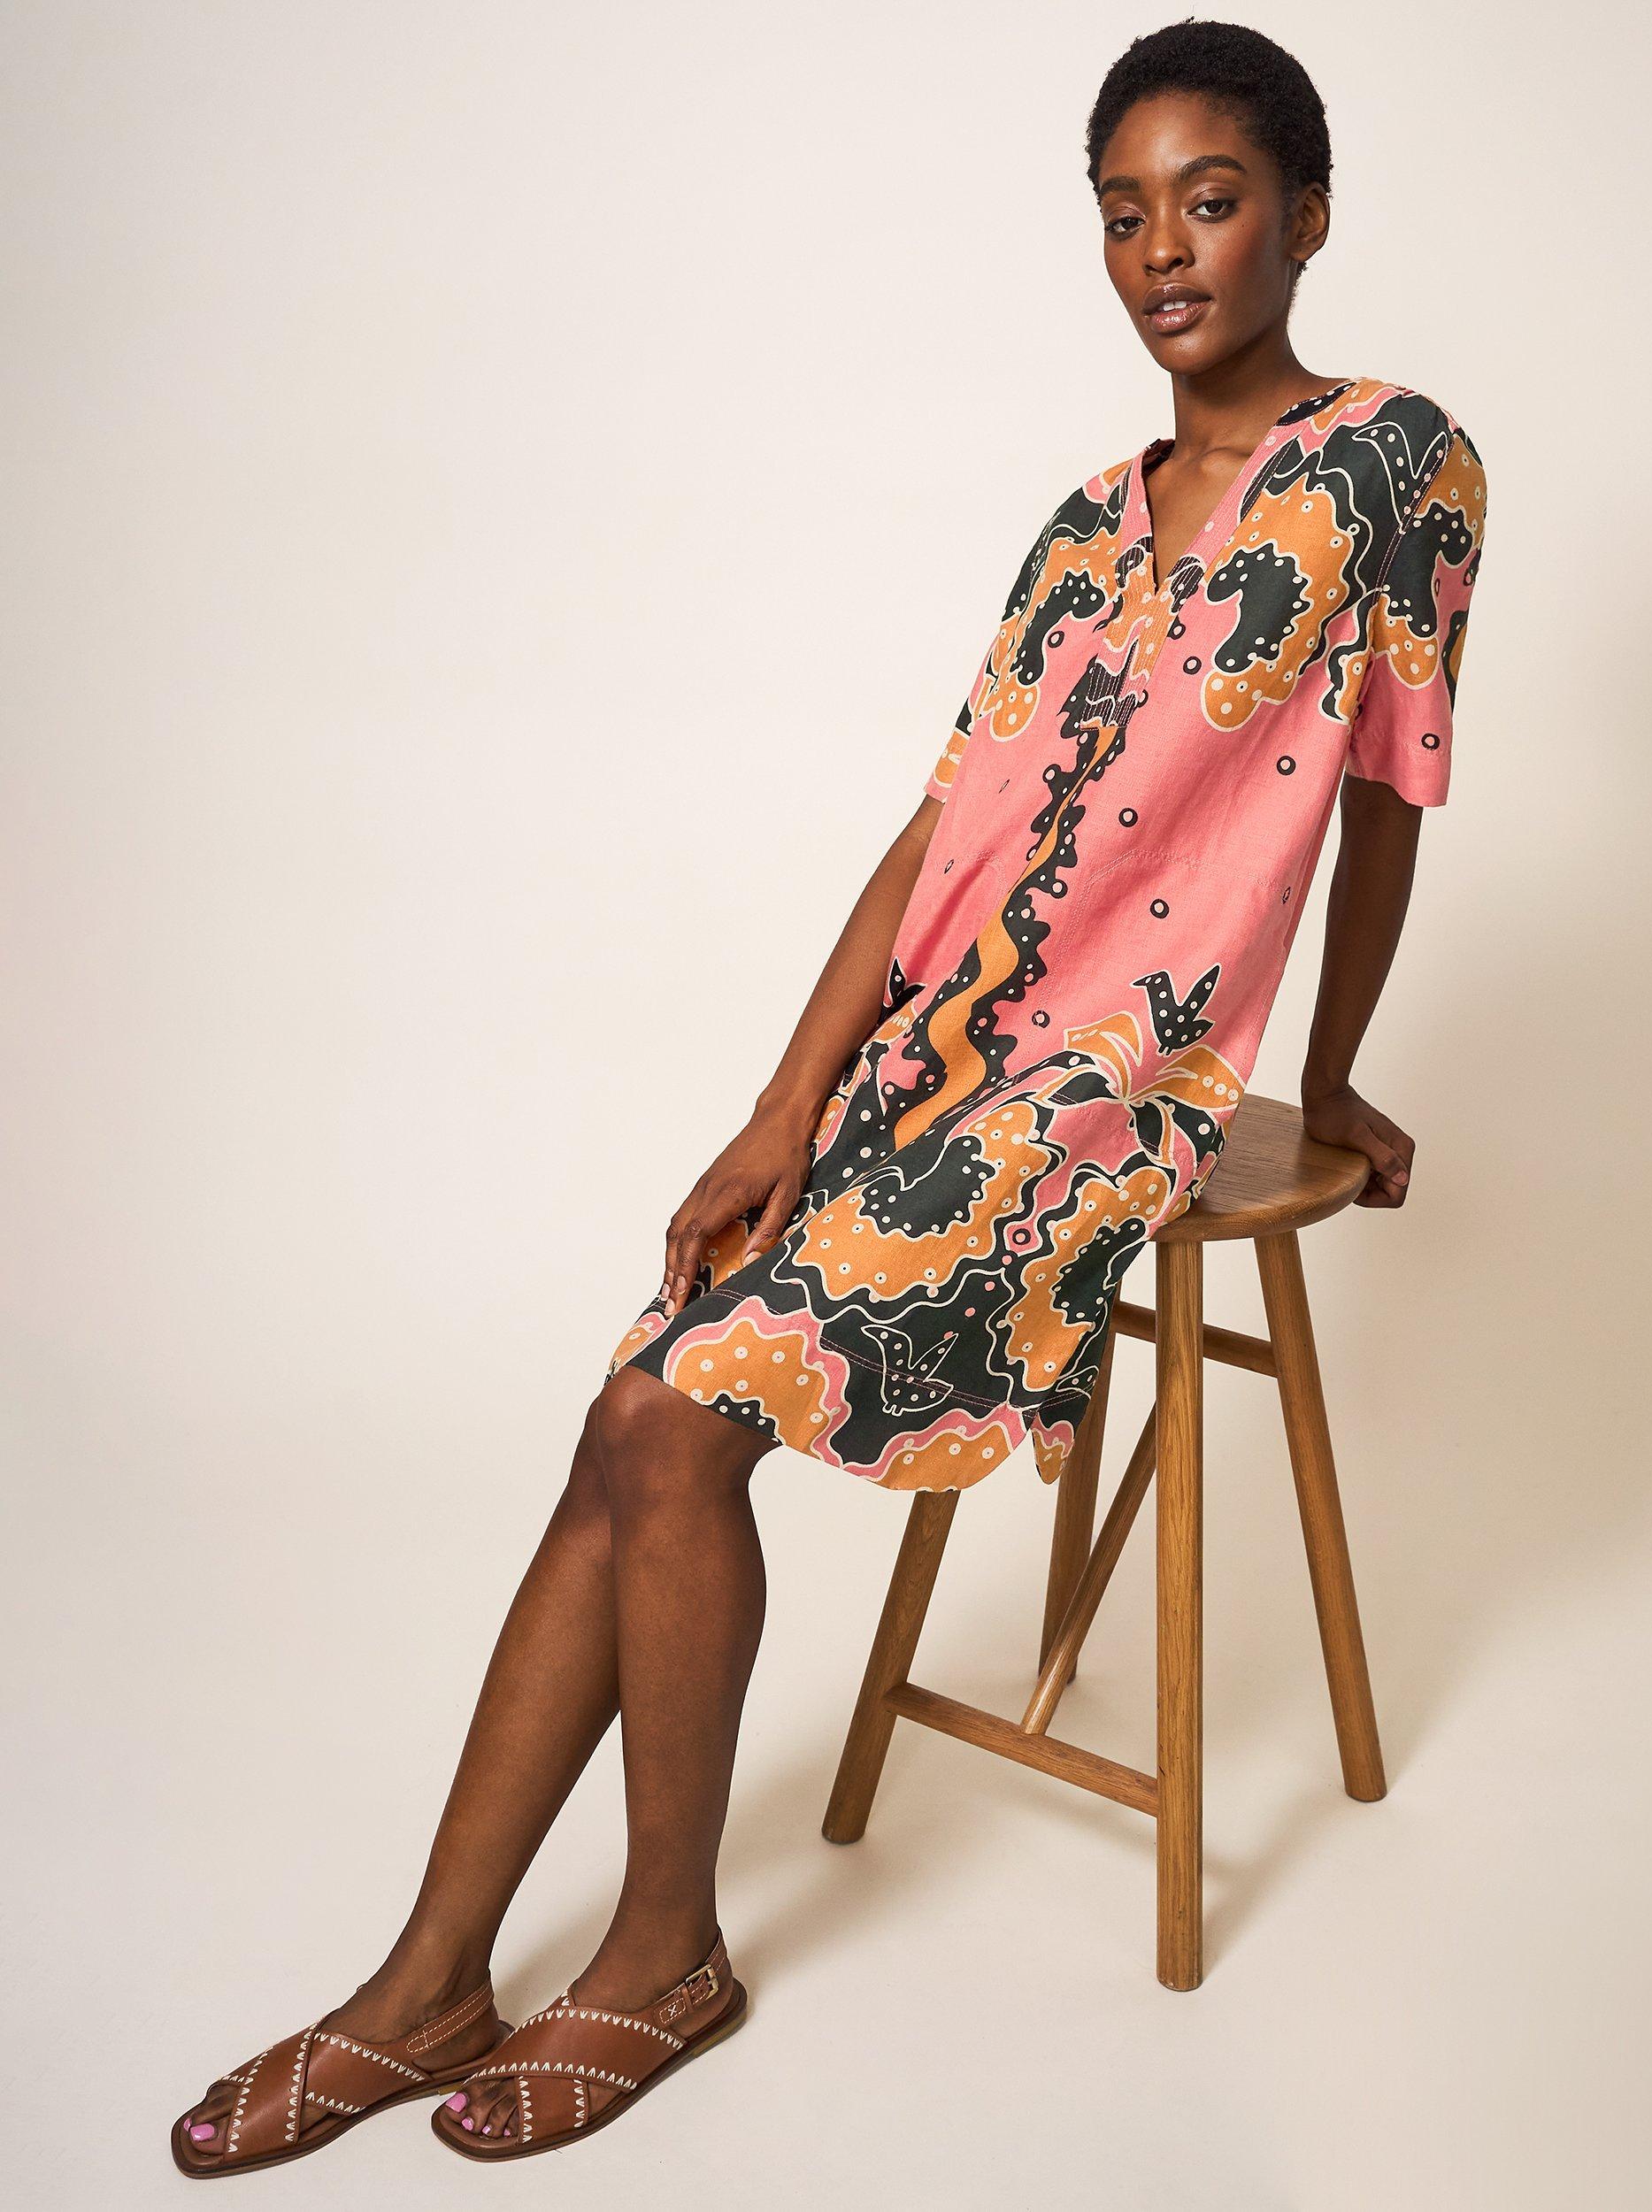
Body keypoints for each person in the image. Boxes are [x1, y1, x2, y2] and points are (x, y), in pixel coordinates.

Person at [172, 18, 1486, 2175]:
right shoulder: (1078, 523)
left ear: (1306, 217)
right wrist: (781, 1110)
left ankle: (664, 1951)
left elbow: (1388, 791)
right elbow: (937, 834)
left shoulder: (1394, 465)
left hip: (1106, 1091)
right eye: (1122, 212)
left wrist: (1329, 1069)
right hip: (927, 1061)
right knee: (630, 1406)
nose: (1161, 249)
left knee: (682, 1417)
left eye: (1209, 199)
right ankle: (425, 1976)